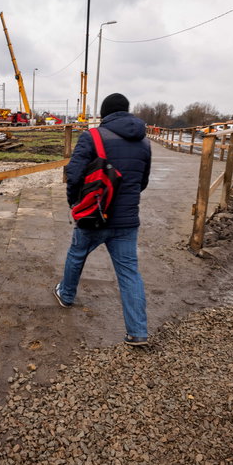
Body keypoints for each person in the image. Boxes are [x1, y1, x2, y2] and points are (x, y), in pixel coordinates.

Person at [54, 93, 152, 346]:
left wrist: (74, 204)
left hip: (94, 214)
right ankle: (137, 331)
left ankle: (66, 295)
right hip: (127, 221)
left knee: (77, 254)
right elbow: (142, 182)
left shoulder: (93, 137)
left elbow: (74, 175)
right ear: (127, 111)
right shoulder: (144, 142)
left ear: (104, 113)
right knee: (129, 272)